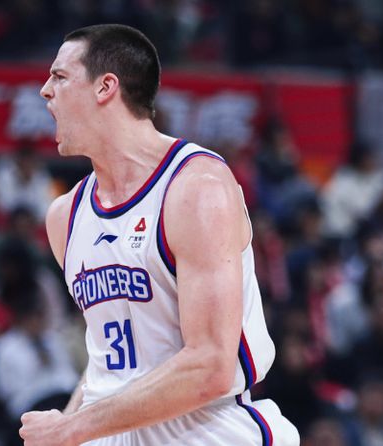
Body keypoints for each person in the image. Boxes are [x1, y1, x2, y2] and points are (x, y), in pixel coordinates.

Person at [19, 24, 300, 445]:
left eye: (59, 76)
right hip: (113, 431)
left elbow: (209, 365)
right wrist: (67, 429)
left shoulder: (195, 188)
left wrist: (73, 427)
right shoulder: (65, 216)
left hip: (208, 429)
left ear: (105, 87)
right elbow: (106, 364)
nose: (45, 90)